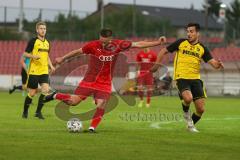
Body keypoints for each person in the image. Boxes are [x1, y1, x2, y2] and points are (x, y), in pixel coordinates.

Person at [44, 28, 166, 132]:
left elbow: (138, 44)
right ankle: (54, 95)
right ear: (99, 37)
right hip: (89, 80)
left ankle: (92, 129)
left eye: (105, 42)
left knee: (102, 104)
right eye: (101, 41)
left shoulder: (118, 44)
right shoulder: (92, 45)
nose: (103, 44)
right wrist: (62, 58)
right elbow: (77, 52)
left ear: (110, 39)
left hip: (105, 82)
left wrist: (157, 42)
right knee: (73, 102)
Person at [151, 23, 224, 132]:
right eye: (188, 31)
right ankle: (186, 113)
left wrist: (218, 65)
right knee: (188, 98)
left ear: (197, 33)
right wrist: (157, 65)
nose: (189, 34)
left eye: (191, 31)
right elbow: (163, 51)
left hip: (196, 79)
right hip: (181, 77)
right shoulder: (181, 43)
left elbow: (213, 63)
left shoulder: (202, 48)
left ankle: (190, 125)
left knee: (201, 109)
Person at [22, 21, 55, 119]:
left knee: (45, 90)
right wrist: (33, 56)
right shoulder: (33, 41)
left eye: (44, 29)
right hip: (34, 71)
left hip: (44, 71)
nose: (43, 30)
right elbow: (25, 54)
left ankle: (38, 112)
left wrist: (51, 66)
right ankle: (25, 111)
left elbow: (47, 56)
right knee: (32, 93)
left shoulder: (48, 43)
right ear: (37, 30)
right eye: (41, 28)